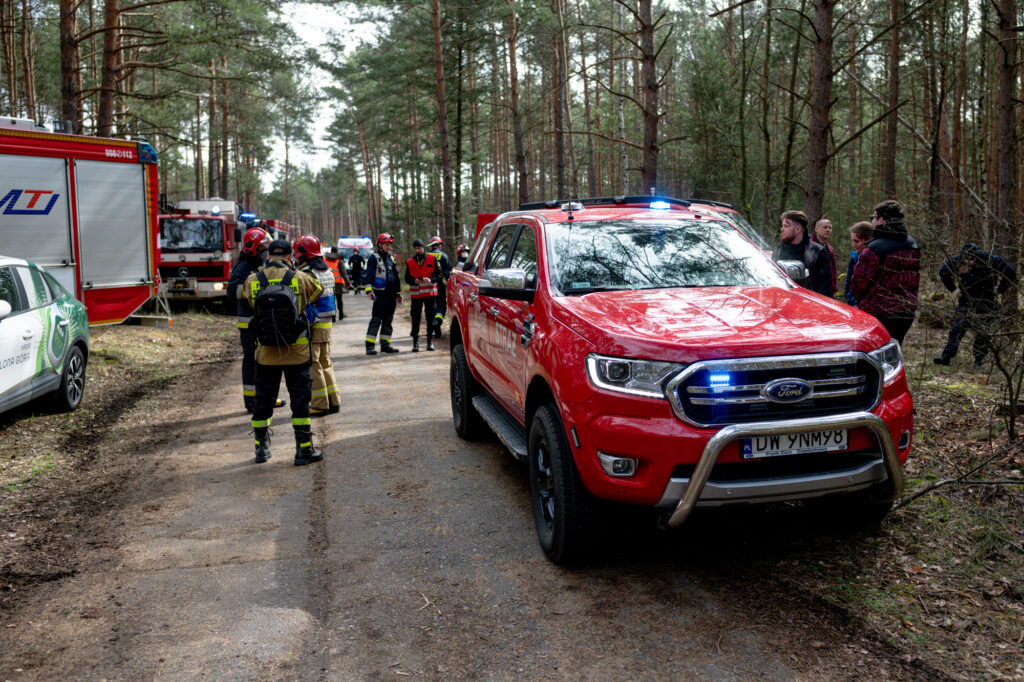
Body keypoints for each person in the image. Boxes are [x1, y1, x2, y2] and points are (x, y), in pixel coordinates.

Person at [243, 239, 324, 465]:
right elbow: (318, 292)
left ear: (268, 255)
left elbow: (250, 302)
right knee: (300, 399)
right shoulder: (298, 278)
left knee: (263, 399)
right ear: (290, 256)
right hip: (296, 350)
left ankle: (261, 448)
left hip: (266, 352)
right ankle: (304, 449)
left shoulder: (253, 279)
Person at [226, 226, 283, 413]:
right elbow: (231, 292)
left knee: (265, 362)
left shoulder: (260, 266)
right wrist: (252, 288)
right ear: (252, 248)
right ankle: (251, 401)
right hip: (248, 324)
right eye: (262, 248)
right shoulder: (243, 267)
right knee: (251, 362)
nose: (265, 252)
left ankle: (265, 397)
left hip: (261, 322)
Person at [933, 243, 1017, 369]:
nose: (968, 262)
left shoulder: (991, 260)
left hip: (986, 300)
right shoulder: (958, 260)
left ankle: (978, 361)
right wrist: (954, 290)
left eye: (971, 259)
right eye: (966, 259)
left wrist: (999, 290)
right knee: (958, 327)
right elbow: (943, 272)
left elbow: (1010, 273)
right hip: (966, 299)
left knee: (983, 331)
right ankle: (946, 356)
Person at [850, 200, 921, 344]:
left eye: (873, 218)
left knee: (877, 351)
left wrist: (860, 301)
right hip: (906, 310)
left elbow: (859, 282)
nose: (872, 222)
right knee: (895, 349)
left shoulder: (874, 248)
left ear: (881, 220)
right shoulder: (913, 244)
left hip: (879, 311)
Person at [295, 235, 341, 417]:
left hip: (314, 325)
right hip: (327, 323)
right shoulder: (326, 270)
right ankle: (333, 400)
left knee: (313, 363)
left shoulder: (307, 272)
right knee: (325, 362)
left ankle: (320, 404)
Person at [771, 210, 832, 296]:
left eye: (786, 226)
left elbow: (825, 288)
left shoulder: (817, 252)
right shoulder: (778, 250)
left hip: (809, 304)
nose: (782, 229)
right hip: (783, 302)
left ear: (798, 229)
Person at [364, 233, 403, 355]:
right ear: (380, 244)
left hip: (391, 296)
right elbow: (369, 276)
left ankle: (385, 345)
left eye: (389, 244)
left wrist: (398, 293)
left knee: (388, 320)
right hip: (380, 295)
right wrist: (369, 291)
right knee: (376, 320)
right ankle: (370, 346)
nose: (388, 247)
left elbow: (396, 278)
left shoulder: (390, 259)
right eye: (386, 244)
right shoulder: (373, 258)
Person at [405, 239, 439, 352]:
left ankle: (430, 341)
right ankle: (415, 343)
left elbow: (439, 274)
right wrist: (414, 281)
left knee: (430, 318)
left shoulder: (432, 259)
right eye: (415, 248)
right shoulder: (410, 261)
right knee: (415, 318)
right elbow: (406, 278)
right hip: (416, 295)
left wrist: (431, 279)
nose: (417, 250)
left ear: (423, 247)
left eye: (419, 248)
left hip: (430, 294)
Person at [844, 221, 873, 306]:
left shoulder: (876, 259)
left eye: (856, 241)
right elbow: (849, 282)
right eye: (852, 241)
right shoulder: (854, 258)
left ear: (868, 240)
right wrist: (852, 302)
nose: (853, 245)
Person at [426, 236, 451, 338]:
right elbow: (447, 273)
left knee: (430, 306)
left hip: (427, 285)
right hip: (439, 284)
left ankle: (432, 328)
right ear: (440, 245)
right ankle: (437, 322)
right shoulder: (443, 256)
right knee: (441, 305)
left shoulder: (426, 255)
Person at [811, 217, 838, 297]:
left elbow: (833, 270)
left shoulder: (830, 248)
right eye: (825, 227)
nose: (828, 230)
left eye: (830, 228)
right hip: (814, 292)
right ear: (816, 229)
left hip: (828, 291)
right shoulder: (809, 247)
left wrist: (833, 288)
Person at [324, 246, 347, 319]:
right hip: (338, 283)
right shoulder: (339, 260)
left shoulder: (325, 259)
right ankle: (341, 315)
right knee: (339, 300)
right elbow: (343, 273)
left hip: (328, 282)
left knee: (332, 300)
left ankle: (333, 317)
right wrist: (348, 283)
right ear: (337, 251)